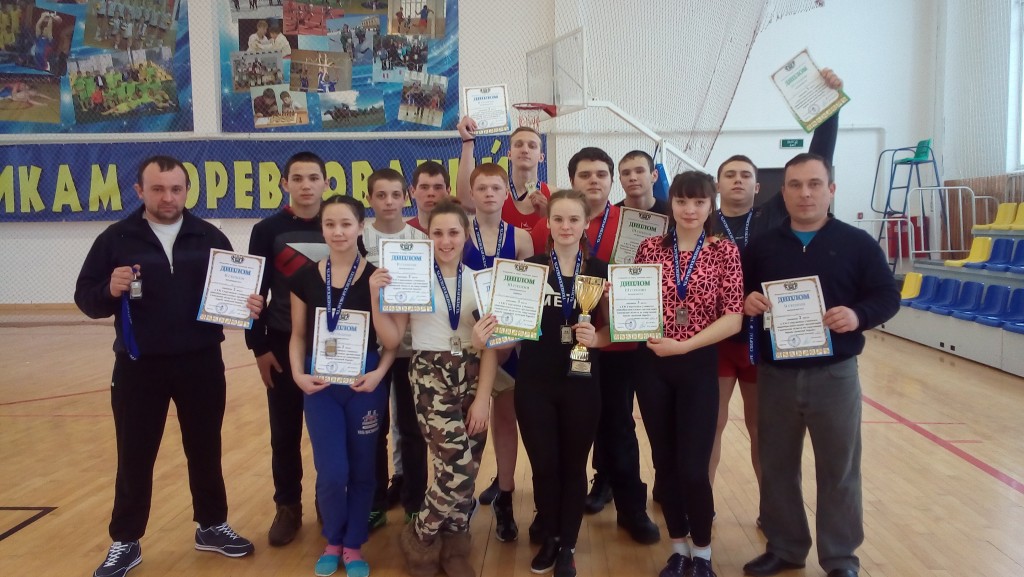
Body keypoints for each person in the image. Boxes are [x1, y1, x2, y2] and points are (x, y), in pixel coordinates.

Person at [76, 156, 261, 577]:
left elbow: (234, 293)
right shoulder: (116, 238)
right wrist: (108, 290)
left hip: (201, 362)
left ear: (186, 191)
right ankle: (125, 541)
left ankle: (211, 525)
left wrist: (249, 304)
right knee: (135, 456)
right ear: (139, 190)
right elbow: (86, 298)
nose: (168, 197)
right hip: (139, 367)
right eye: (158, 189)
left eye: (176, 189)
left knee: (205, 448)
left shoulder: (209, 236)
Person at [740, 153, 900, 577]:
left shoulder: (857, 243)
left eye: (814, 184)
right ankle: (785, 547)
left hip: (835, 375)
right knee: (777, 466)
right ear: (783, 192)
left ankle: (841, 558)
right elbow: (743, 294)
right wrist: (748, 301)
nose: (805, 193)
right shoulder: (763, 246)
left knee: (839, 469)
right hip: (776, 375)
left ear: (831, 189)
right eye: (795, 185)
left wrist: (858, 315)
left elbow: (888, 296)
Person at [708, 69, 843, 517]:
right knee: (710, 427)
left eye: (746, 175)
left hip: (766, 342)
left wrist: (829, 108)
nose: (738, 180)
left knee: (763, 431)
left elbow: (818, 158)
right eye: (729, 175)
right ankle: (700, 507)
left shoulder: (772, 217)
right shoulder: (701, 221)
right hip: (716, 339)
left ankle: (772, 512)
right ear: (717, 185)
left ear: (759, 186)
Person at [530, 147, 661, 545]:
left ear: (611, 179)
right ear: (572, 181)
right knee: (563, 435)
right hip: (561, 350)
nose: (593, 180)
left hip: (614, 346)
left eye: (601, 174)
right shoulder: (553, 222)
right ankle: (555, 512)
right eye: (584, 174)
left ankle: (632, 509)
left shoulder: (636, 222)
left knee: (618, 428)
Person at [371, 200, 498, 577]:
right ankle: (421, 536)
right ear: (428, 236)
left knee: (470, 466)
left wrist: (483, 399)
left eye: (453, 232)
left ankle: (455, 545)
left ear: (465, 235)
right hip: (430, 373)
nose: (445, 240)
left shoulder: (482, 280)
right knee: (456, 468)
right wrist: (377, 298)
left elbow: (491, 347)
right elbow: (392, 338)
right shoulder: (413, 277)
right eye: (437, 233)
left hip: (473, 372)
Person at [632, 171, 744, 577]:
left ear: (711, 205)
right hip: (652, 366)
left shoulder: (724, 251)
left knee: (694, 469)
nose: (690, 209)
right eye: (682, 201)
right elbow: (636, 303)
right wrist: (618, 300)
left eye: (698, 202)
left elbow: (733, 317)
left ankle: (703, 553)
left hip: (696, 365)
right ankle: (678, 549)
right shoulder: (649, 248)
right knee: (665, 464)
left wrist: (684, 345)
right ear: (672, 204)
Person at [495, 189, 609, 577]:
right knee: (544, 466)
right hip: (535, 384)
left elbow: (618, 330)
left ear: (586, 223)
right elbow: (510, 327)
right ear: (548, 223)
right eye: (558, 219)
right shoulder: (530, 269)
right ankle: (551, 537)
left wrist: (598, 339)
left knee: (574, 466)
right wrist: (490, 331)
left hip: (581, 383)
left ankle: (568, 545)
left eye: (574, 219)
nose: (565, 226)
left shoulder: (601, 272)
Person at [289, 195, 397, 577]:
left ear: (360, 227)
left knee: (363, 469)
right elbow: (297, 334)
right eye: (330, 224)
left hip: (364, 380)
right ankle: (332, 539)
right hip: (320, 383)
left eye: (346, 224)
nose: (338, 232)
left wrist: (379, 373)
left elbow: (392, 341)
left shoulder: (378, 276)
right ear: (321, 228)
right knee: (332, 472)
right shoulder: (304, 277)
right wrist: (298, 374)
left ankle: (352, 544)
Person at [246, 152, 330, 547]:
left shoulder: (338, 222)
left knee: (327, 431)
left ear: (326, 182)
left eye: (313, 178)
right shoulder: (267, 230)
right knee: (284, 432)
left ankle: (327, 502)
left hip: (332, 345)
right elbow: (253, 293)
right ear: (285, 183)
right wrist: (258, 346)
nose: (306, 185)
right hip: (281, 343)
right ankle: (288, 506)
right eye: (297, 178)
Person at [460, 163, 533, 541]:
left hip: (510, 345)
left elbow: (528, 294)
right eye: (482, 188)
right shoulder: (458, 234)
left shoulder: (521, 238)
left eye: (496, 188)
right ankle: (459, 498)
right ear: (471, 194)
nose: (489, 193)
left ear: (507, 193)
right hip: (467, 343)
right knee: (465, 425)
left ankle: (505, 494)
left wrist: (512, 341)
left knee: (505, 421)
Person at [360, 168, 428, 531]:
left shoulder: (421, 239)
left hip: (411, 348)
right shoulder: (359, 239)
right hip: (369, 350)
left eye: (395, 195)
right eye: (381, 195)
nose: (389, 202)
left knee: (413, 429)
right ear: (369, 198)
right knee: (374, 427)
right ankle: (374, 503)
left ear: (406, 197)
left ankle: (415, 502)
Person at [456, 116, 551, 232]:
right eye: (518, 145)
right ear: (509, 154)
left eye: (532, 146)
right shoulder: (496, 193)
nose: (525, 150)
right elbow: (466, 201)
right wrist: (468, 142)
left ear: (541, 157)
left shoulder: (553, 195)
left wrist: (548, 215)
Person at [406, 160, 449, 232]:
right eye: (424, 187)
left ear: (448, 191)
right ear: (412, 192)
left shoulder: (460, 231)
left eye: (437, 188)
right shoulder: (402, 233)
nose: (431, 193)